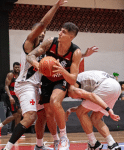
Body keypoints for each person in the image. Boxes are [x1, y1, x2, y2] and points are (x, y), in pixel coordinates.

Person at [1, 1, 68, 150]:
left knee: (42, 114)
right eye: (40, 32)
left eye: (43, 33)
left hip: (36, 86)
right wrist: (56, 6)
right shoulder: (29, 43)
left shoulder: (43, 50)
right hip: (25, 85)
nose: (42, 34)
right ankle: (7, 148)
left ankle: (39, 146)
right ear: (34, 32)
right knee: (30, 117)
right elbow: (43, 24)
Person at [33, 46, 98, 150]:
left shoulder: (70, 48)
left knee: (55, 101)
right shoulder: (47, 46)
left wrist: (84, 54)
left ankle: (64, 137)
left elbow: (71, 56)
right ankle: (56, 140)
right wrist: (40, 66)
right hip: (46, 81)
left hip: (60, 80)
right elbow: (31, 57)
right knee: (49, 114)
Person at [66, 70, 121, 150]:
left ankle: (93, 144)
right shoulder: (82, 80)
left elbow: (92, 97)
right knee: (95, 118)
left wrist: (108, 110)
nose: (72, 97)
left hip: (106, 86)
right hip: (116, 87)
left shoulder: (73, 86)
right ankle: (112, 144)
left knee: (81, 113)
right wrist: (71, 109)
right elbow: (88, 103)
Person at [0, 62, 22, 136]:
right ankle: (1, 125)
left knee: (19, 113)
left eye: (18, 67)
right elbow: (6, 86)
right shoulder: (10, 75)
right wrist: (10, 97)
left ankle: (16, 132)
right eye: (15, 67)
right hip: (11, 97)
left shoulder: (20, 75)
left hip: (17, 96)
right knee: (16, 114)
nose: (17, 69)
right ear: (13, 67)